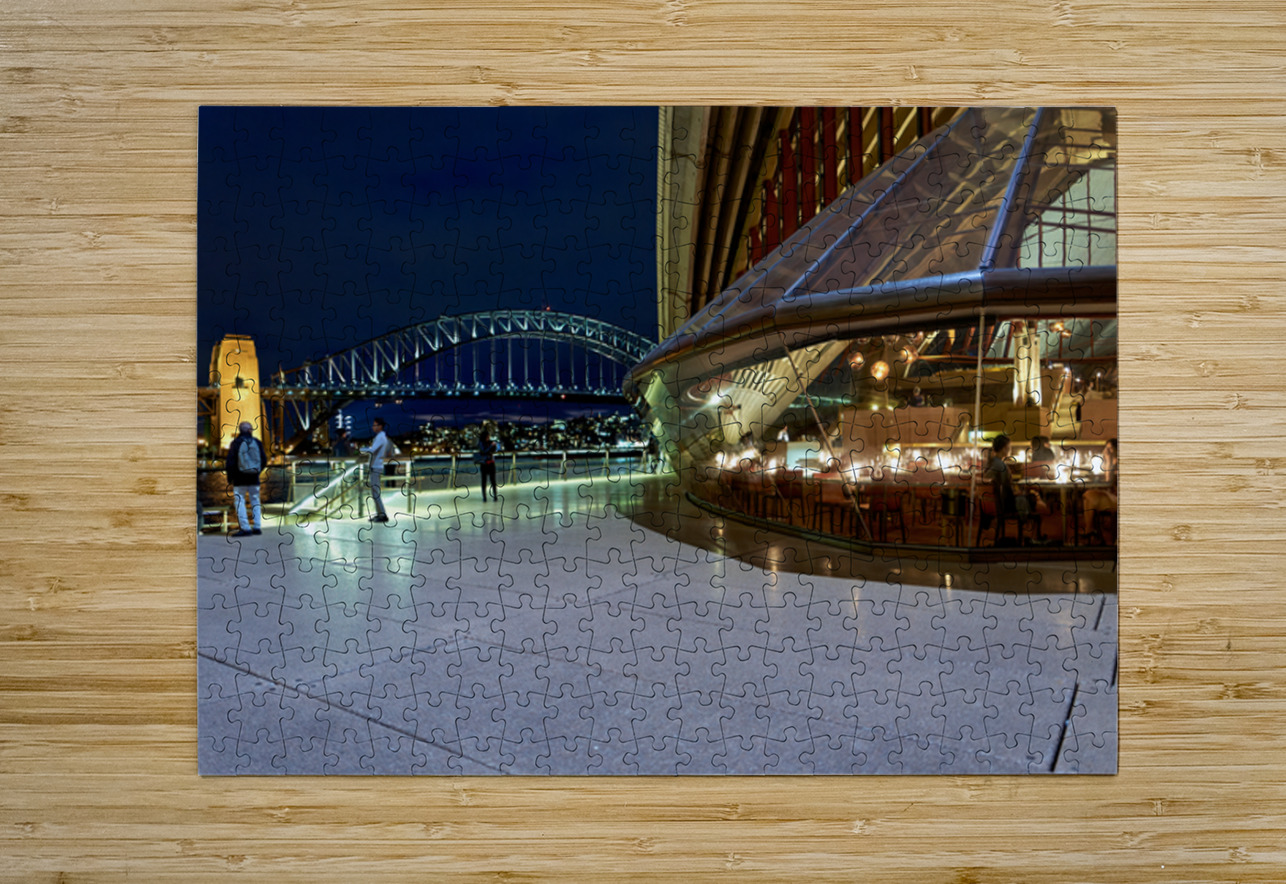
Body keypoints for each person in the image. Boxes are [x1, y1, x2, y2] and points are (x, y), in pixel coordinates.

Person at [225, 421, 266, 537]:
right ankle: (257, 527)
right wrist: (257, 472)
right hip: (254, 478)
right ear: (250, 430)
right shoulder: (257, 442)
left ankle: (245, 528)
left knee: (239, 502)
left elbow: (230, 462)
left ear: (240, 430)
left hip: (239, 478)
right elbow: (264, 460)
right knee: (255, 501)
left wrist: (230, 478)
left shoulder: (236, 443)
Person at [1081, 438, 1119, 543]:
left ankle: (1090, 530)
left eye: (1110, 448)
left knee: (1089, 496)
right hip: (1112, 494)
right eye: (1106, 449)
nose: (1108, 451)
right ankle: (1090, 530)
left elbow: (1108, 482)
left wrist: (1108, 461)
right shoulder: (1112, 461)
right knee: (1088, 495)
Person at [359, 417, 393, 523]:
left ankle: (382, 515)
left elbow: (373, 450)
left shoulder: (380, 437)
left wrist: (361, 449)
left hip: (376, 467)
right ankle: (380, 514)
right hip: (376, 466)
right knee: (375, 492)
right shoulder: (382, 437)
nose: (373, 427)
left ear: (380, 426)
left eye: (375, 425)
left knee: (375, 492)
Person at [477, 431, 499, 501]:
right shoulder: (481, 443)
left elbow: (494, 450)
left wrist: (494, 446)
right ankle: (484, 497)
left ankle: (495, 496)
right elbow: (484, 451)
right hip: (484, 464)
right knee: (484, 481)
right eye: (487, 436)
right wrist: (491, 446)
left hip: (491, 463)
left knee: (493, 481)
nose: (488, 437)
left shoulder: (490, 442)